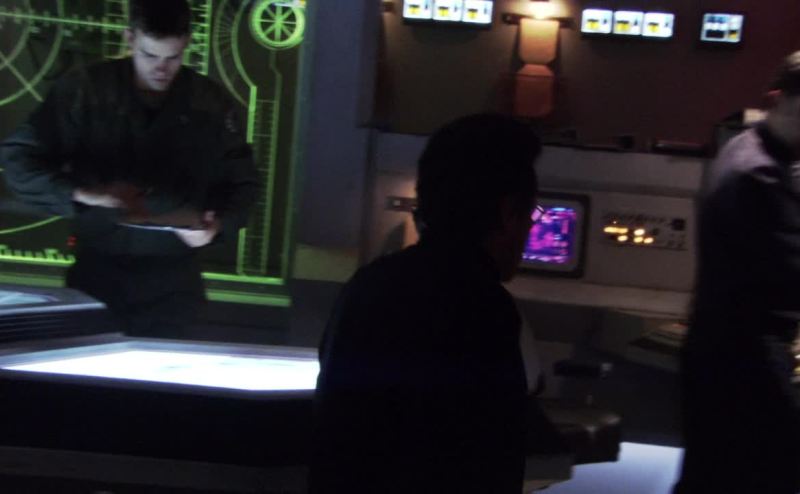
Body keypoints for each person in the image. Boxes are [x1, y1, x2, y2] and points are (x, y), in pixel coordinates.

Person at [310, 114, 554, 493]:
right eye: (532, 214)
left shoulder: (367, 285)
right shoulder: (486, 309)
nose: (529, 230)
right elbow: (489, 459)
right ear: (508, 212)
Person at [0, 0, 257, 337]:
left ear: (187, 43)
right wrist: (85, 194)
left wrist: (216, 226)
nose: (161, 69)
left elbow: (243, 183)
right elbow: (18, 159)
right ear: (129, 38)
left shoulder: (209, 103)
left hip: (174, 285)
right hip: (96, 275)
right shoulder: (86, 92)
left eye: (173, 58)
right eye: (150, 55)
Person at [675, 51, 800, 493]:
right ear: (776, 99)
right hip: (746, 365)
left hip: (720, 356)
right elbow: (789, 277)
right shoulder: (758, 174)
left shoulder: (743, 149)